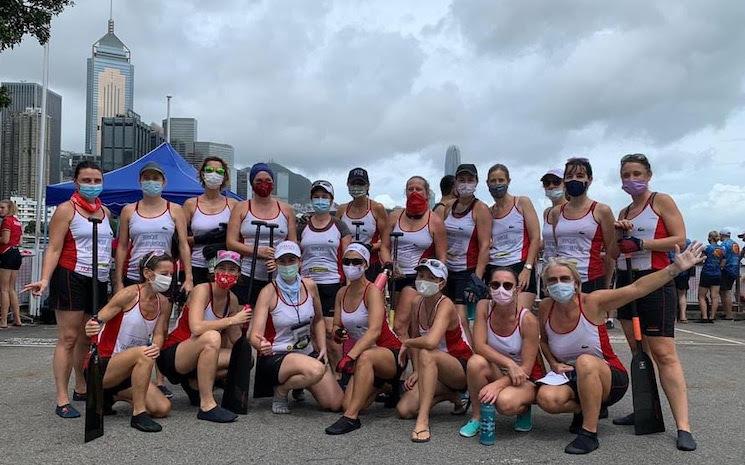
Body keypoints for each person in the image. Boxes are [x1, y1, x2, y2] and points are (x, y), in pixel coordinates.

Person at [536, 243, 703, 454]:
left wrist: (674, 269)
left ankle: (589, 433)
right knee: (546, 399)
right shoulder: (545, 307)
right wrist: (553, 363)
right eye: (552, 280)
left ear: (576, 284)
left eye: (564, 279)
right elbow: (542, 341)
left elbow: (636, 288)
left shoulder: (593, 302)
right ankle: (588, 408)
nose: (558, 284)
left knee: (585, 360)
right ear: (545, 286)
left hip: (609, 377)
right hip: (570, 377)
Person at [611, 154, 694, 446]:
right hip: (627, 281)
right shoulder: (624, 210)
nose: (631, 179)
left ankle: (683, 427)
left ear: (648, 175)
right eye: (625, 175)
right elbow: (614, 252)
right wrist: (618, 237)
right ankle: (645, 409)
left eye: (636, 173)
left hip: (656, 281)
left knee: (664, 354)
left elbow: (680, 239)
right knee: (638, 352)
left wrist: (642, 243)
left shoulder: (661, 201)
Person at [24, 161, 114, 418]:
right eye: (86, 180)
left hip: (98, 278)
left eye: (97, 181)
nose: (92, 185)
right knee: (68, 338)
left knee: (87, 337)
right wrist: (43, 279)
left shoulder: (106, 212)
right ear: (76, 182)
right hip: (70, 276)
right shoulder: (66, 210)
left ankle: (81, 386)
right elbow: (53, 248)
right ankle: (62, 397)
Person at [83, 252, 174, 432]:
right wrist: (91, 326)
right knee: (144, 353)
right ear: (148, 274)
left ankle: (112, 396)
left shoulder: (163, 302)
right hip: (104, 365)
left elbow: (159, 333)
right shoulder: (129, 294)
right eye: (164, 274)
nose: (169, 279)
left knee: (162, 408)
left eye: (171, 274)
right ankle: (138, 415)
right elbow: (98, 319)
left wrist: (157, 345)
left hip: (130, 369)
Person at [250, 241, 343, 414]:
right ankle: (282, 390)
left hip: (305, 351)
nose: (287, 265)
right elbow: (254, 335)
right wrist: (259, 344)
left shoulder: (310, 286)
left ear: (300, 262)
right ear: (276, 263)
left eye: (291, 260)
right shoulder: (268, 292)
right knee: (316, 370)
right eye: (282, 261)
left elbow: (318, 320)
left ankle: (301, 381)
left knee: (335, 403)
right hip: (277, 355)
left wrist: (322, 346)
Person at [157, 250, 250, 423]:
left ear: (238, 274)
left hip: (198, 354)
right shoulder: (202, 290)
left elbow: (235, 338)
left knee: (243, 357)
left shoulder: (233, 299)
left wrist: (245, 326)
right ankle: (207, 405)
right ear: (214, 270)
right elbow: (197, 327)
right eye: (222, 268)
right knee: (212, 337)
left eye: (232, 269)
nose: (226, 274)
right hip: (175, 353)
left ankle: (194, 384)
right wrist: (232, 320)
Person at [325, 243, 403, 434]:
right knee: (348, 403)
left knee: (366, 357)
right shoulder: (341, 293)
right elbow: (336, 325)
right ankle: (385, 386)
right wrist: (337, 333)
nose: (351, 265)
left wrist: (350, 356)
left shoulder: (372, 292)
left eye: (356, 261)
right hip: (363, 356)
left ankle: (351, 418)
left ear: (366, 264)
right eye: (347, 261)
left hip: (389, 353)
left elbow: (375, 331)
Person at [458, 266, 544, 439]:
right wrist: (509, 364)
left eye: (507, 285)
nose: (501, 290)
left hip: (525, 377)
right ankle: (476, 417)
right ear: (489, 287)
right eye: (495, 285)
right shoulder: (484, 306)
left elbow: (526, 368)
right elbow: (479, 345)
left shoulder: (527, 320)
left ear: (517, 289)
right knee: (476, 362)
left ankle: (524, 406)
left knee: (505, 404)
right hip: (501, 369)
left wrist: (498, 384)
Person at [395, 259, 473, 443]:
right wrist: (416, 370)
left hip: (459, 366)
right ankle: (451, 395)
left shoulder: (446, 304)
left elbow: (429, 342)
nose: (424, 281)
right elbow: (415, 335)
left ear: (442, 283)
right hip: (433, 366)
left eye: (431, 278)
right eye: (421, 276)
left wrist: (407, 343)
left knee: (427, 352)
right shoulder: (416, 302)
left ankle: (423, 422)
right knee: (404, 409)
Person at [379, 176, 447, 339]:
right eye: (411, 189)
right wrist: (389, 264)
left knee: (399, 326)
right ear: (405, 193)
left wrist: (436, 282)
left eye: (418, 189)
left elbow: (442, 256)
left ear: (427, 193)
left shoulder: (435, 221)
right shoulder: (395, 216)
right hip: (395, 277)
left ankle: (401, 361)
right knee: (407, 327)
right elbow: (384, 246)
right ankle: (411, 358)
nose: (414, 192)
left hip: (418, 278)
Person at [114, 162, 192, 293]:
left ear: (164, 182)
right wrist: (118, 281)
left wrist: (189, 278)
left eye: (155, 178)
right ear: (140, 181)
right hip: (134, 274)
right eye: (147, 178)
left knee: (162, 311)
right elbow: (122, 247)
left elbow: (183, 245)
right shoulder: (128, 210)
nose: (151, 182)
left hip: (163, 275)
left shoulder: (175, 209)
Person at [299, 180, 352, 372]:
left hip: (332, 284)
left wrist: (349, 284)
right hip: (306, 284)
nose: (320, 200)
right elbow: (296, 255)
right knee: (310, 331)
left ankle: (339, 375)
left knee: (331, 332)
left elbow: (348, 256)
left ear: (331, 200)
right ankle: (309, 375)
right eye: (316, 197)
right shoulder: (302, 226)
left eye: (324, 197)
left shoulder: (340, 226)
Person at [227, 163, 297, 306]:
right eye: (258, 181)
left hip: (279, 275)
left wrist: (279, 259)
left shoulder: (287, 209)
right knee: (245, 318)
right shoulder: (241, 207)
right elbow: (231, 242)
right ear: (252, 183)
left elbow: (293, 245)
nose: (264, 184)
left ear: (273, 183)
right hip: (248, 274)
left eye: (268, 181)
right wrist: (257, 251)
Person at [548, 158, 618, 293]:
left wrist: (607, 287)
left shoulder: (602, 210)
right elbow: (559, 247)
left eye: (580, 176)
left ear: (589, 179)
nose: (574, 180)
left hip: (591, 280)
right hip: (563, 281)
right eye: (569, 176)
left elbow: (611, 253)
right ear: (564, 181)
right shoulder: (556, 212)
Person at [443, 164, 491, 336]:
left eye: (470, 180)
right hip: (448, 270)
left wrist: (476, 278)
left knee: (461, 318)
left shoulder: (480, 209)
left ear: (477, 182)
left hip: (467, 271)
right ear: (455, 183)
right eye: (461, 180)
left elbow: (485, 245)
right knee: (445, 316)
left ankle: (469, 357)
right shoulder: (448, 207)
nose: (465, 184)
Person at [486, 163, 541, 311]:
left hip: (519, 265)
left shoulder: (522, 203)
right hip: (494, 267)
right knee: (497, 317)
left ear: (508, 181)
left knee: (518, 315)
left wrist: (527, 268)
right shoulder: (488, 212)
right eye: (493, 181)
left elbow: (536, 238)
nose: (497, 184)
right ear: (487, 184)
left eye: (501, 180)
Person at [183, 156, 238, 285]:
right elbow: (179, 239)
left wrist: (223, 244)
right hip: (197, 266)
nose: (214, 174)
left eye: (219, 172)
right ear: (202, 174)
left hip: (225, 267)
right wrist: (201, 239)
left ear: (224, 177)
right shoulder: (190, 204)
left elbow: (240, 238)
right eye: (209, 170)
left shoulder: (233, 205)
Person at [336, 167, 388, 281]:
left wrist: (370, 247)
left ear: (368, 186)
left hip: (371, 264)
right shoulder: (342, 209)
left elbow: (386, 241)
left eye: (360, 183)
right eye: (353, 183)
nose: (356, 187)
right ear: (348, 185)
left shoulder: (377, 208)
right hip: (348, 263)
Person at [0, 200, 23, 328]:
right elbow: (19, 240)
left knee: (3, 289)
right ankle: (17, 319)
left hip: (6, 253)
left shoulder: (7, 221)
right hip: (16, 253)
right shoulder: (17, 221)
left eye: (2, 207)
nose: (0, 210)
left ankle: (3, 320)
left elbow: (5, 239)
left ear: (9, 208)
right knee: (11, 288)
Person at [539, 168, 567, 263]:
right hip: (547, 268)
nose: (551, 186)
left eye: (556, 182)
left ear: (565, 184)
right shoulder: (546, 212)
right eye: (547, 183)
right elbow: (546, 242)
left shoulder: (572, 210)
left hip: (567, 268)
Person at [697, 230, 723, 323]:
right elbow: (723, 262)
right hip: (717, 273)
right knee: (715, 296)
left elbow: (701, 259)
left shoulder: (706, 248)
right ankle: (712, 317)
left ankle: (704, 317)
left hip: (707, 272)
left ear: (710, 238)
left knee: (701, 296)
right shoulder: (722, 248)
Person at [669, 239, 694, 323]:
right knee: (682, 295)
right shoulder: (687, 242)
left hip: (672, 271)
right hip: (684, 272)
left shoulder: (670, 241)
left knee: (672, 294)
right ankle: (683, 316)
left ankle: (673, 317)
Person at [718, 229, 740, 320]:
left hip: (727, 269)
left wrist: (720, 267)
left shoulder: (724, 245)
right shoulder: (735, 244)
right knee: (726, 290)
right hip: (735, 269)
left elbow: (723, 258)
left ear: (722, 235)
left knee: (725, 292)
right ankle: (727, 312)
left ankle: (729, 315)